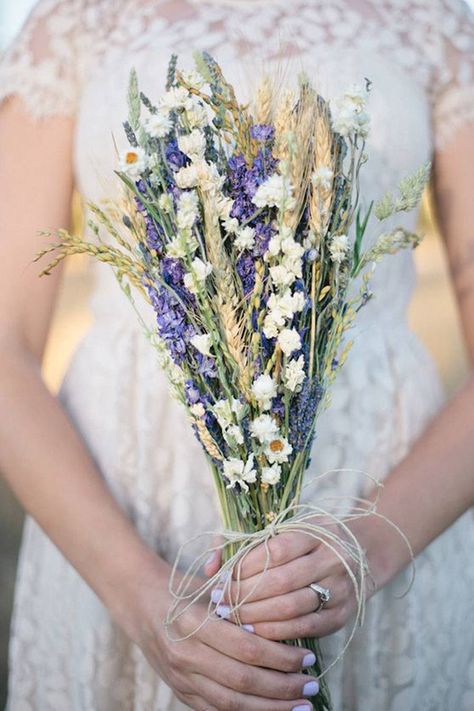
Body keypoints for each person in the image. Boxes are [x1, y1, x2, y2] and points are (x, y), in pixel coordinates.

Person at [0, 0, 473, 709]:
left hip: (387, 507)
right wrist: (135, 592)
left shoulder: (432, 20)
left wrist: (368, 547)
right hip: (120, 526)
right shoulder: (75, 18)